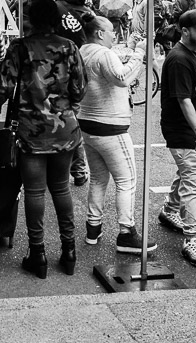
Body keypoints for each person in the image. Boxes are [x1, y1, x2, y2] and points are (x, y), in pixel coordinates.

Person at [0, 0, 86, 278]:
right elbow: (79, 89)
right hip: (65, 129)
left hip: (32, 130)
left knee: (34, 191)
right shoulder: (69, 47)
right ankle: (69, 252)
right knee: (61, 188)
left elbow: (1, 87)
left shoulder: (20, 47)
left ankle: (38, 253)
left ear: (30, 18)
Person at [77, 16, 156, 255]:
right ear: (100, 33)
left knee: (99, 179)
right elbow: (121, 78)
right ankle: (126, 233)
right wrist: (139, 55)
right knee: (126, 181)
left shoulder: (82, 51)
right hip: (110, 125)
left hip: (88, 123)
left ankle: (93, 227)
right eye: (111, 32)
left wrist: (130, 51)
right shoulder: (103, 54)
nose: (114, 36)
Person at [157, 9, 196, 269]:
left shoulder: (194, 51)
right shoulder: (179, 58)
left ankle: (170, 209)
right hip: (183, 130)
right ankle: (192, 238)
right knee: (192, 180)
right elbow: (183, 99)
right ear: (184, 31)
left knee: (189, 172)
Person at [52, 0, 94, 186]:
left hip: (55, 67)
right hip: (82, 66)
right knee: (71, 116)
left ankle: (63, 168)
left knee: (56, 115)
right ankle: (78, 170)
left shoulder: (54, 8)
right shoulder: (86, 9)